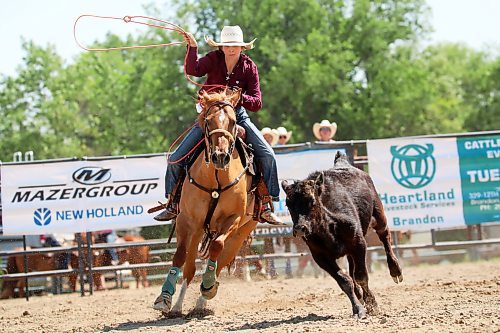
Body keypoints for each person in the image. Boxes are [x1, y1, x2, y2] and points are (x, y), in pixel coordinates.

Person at [154, 25, 282, 225]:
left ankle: (267, 203)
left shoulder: (249, 67)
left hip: (237, 116)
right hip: (211, 116)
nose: (231, 49)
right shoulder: (213, 59)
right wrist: (192, 48)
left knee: (268, 155)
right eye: (227, 45)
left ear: (242, 47)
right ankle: (173, 202)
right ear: (221, 47)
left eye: (235, 45)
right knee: (176, 158)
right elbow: (192, 70)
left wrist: (238, 97)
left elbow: (256, 103)